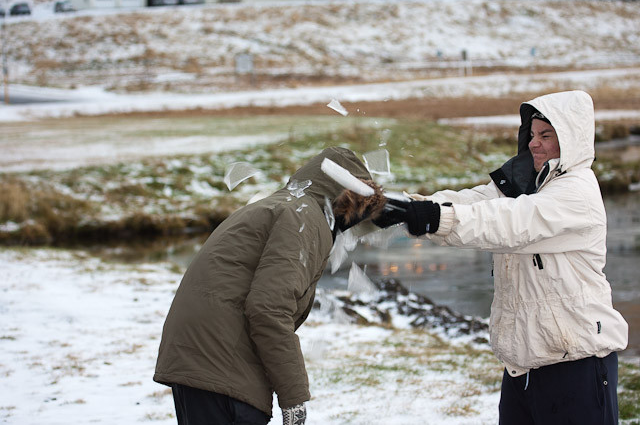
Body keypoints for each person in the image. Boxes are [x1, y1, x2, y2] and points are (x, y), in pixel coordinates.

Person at [375, 90, 628, 424]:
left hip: (576, 367)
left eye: (546, 136)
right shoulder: (527, 182)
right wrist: (406, 207)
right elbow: (475, 203)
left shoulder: (576, 193)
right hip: (522, 368)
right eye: (532, 135)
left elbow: (507, 222)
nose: (534, 144)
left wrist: (436, 219)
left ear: (570, 140)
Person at [154, 147, 385, 425]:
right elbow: (269, 309)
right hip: (223, 359)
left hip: (203, 353)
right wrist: (294, 399)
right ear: (345, 198)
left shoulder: (284, 205)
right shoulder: (303, 218)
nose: (352, 223)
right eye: (357, 209)